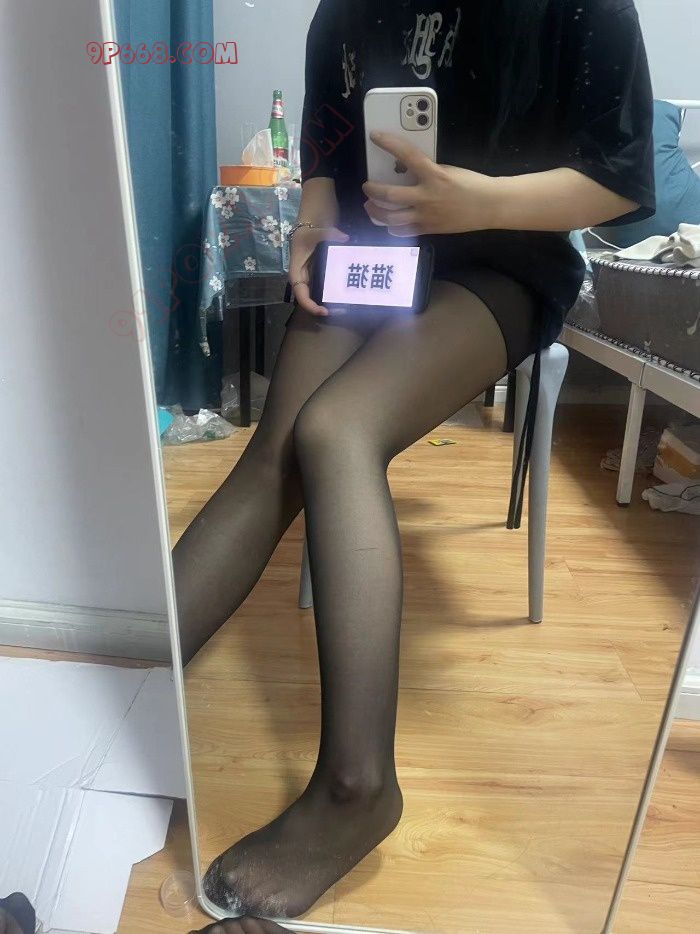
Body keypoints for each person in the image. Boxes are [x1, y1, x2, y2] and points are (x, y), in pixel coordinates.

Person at [173, 0, 655, 920]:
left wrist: (479, 202)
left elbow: (621, 178)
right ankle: (128, 678)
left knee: (335, 432)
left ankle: (358, 790)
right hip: (371, 255)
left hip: (503, 263)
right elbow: (327, 146)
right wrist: (312, 225)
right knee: (273, 455)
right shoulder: (346, 7)